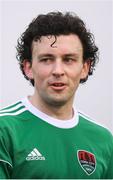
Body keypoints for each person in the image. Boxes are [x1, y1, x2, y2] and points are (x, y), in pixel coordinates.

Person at [0, 11, 113, 179]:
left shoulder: (103, 139)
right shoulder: (5, 130)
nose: (58, 71)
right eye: (47, 59)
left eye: (68, 59)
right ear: (28, 67)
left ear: (84, 68)